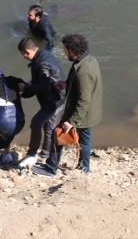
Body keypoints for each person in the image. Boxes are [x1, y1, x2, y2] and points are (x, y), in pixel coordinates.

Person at [31, 34, 103, 178]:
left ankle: (51, 169)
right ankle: (85, 169)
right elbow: (85, 88)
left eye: (65, 50)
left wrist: (71, 122)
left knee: (56, 135)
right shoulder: (88, 61)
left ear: (72, 49)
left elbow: (84, 100)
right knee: (85, 139)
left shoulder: (83, 71)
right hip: (91, 112)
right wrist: (67, 84)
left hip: (82, 113)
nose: (64, 52)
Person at [15, 37, 66, 169]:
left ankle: (32, 154)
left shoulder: (42, 64)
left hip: (53, 100)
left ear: (27, 52)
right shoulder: (43, 54)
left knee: (36, 123)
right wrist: (26, 92)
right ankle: (45, 153)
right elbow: (38, 82)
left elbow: (44, 87)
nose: (24, 57)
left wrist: (25, 88)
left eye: (23, 55)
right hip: (58, 97)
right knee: (49, 126)